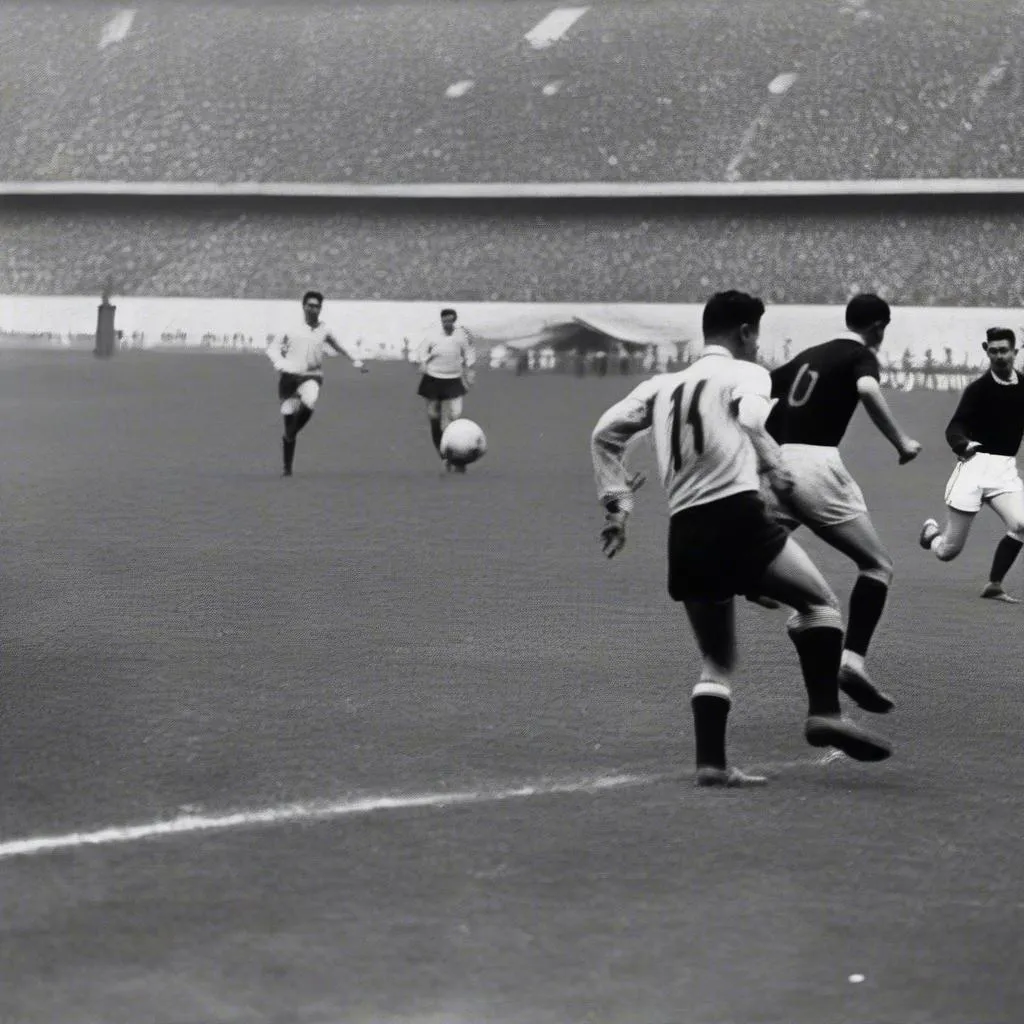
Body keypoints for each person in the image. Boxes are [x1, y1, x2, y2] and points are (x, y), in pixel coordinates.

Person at [591, 290, 892, 789]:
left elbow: (604, 434)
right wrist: (773, 463)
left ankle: (712, 763)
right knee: (819, 605)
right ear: (747, 332)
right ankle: (824, 713)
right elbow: (753, 419)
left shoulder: (661, 386)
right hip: (737, 517)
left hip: (684, 533)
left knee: (717, 658)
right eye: (758, 334)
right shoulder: (748, 374)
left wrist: (618, 503)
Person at [758, 294, 922, 715]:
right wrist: (901, 442)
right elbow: (867, 387)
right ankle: (851, 661)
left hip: (775, 467)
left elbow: (760, 394)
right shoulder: (860, 355)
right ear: (880, 326)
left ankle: (775, 595)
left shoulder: (809, 355)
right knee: (877, 566)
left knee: (763, 548)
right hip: (816, 465)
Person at [920, 327, 1024, 601]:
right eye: (994, 351)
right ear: (985, 350)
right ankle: (931, 534)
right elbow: (955, 425)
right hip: (974, 468)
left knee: (1022, 524)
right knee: (948, 552)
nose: (999, 356)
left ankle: (994, 584)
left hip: (1004, 471)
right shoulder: (979, 390)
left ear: (1015, 351)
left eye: (1004, 350)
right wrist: (962, 444)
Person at [266, 290, 367, 477]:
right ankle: (287, 467)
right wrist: (279, 363)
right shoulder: (290, 328)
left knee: (310, 400)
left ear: (321, 308)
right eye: (310, 305)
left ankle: (291, 434)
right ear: (303, 306)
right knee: (288, 416)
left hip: (312, 375)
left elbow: (339, 346)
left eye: (317, 306)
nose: (313, 309)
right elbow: (272, 348)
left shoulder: (324, 330)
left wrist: (355, 360)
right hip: (289, 378)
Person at [415, 308, 477, 472]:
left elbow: (469, 353)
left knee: (455, 417)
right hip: (433, 379)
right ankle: (444, 456)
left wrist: (470, 371)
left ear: (454, 321)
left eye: (450, 320)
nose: (447, 323)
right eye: (444, 321)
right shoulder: (433, 335)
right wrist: (422, 362)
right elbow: (422, 350)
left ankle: (457, 454)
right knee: (434, 418)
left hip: (453, 380)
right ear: (441, 320)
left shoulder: (462, 335)